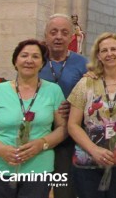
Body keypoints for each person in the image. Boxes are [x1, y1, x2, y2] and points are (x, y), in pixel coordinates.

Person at [67, 33, 116, 198]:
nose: (109, 54)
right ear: (98, 56)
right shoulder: (85, 83)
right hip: (88, 161)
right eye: (104, 51)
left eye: (113, 49)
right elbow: (73, 124)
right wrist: (94, 150)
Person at [0, 39, 67, 198]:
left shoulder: (53, 91)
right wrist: (2, 151)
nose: (29, 60)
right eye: (24, 56)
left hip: (38, 169)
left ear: (42, 63)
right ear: (15, 61)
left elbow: (63, 129)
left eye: (36, 57)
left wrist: (41, 144)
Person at [39, 13, 88, 198]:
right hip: (38, 130)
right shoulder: (36, 59)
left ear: (71, 37)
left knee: (63, 187)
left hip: (68, 134)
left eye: (64, 32)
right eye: (53, 32)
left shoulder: (83, 63)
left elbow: (90, 96)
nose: (58, 36)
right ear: (46, 35)